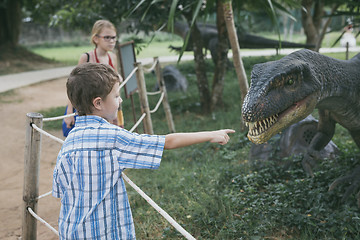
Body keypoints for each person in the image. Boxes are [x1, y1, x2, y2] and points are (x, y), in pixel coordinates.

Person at [52, 63, 235, 239]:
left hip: (71, 231)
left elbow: (60, 190)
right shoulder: (113, 138)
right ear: (98, 103)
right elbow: (168, 142)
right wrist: (211, 134)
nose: (120, 100)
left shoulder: (68, 143)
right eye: (116, 96)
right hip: (103, 232)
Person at [62, 19, 123, 137]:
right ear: (96, 38)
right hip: (88, 109)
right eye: (107, 37)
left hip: (107, 106)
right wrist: (70, 112)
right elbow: (74, 86)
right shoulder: (86, 58)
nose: (111, 41)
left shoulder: (113, 57)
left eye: (114, 37)